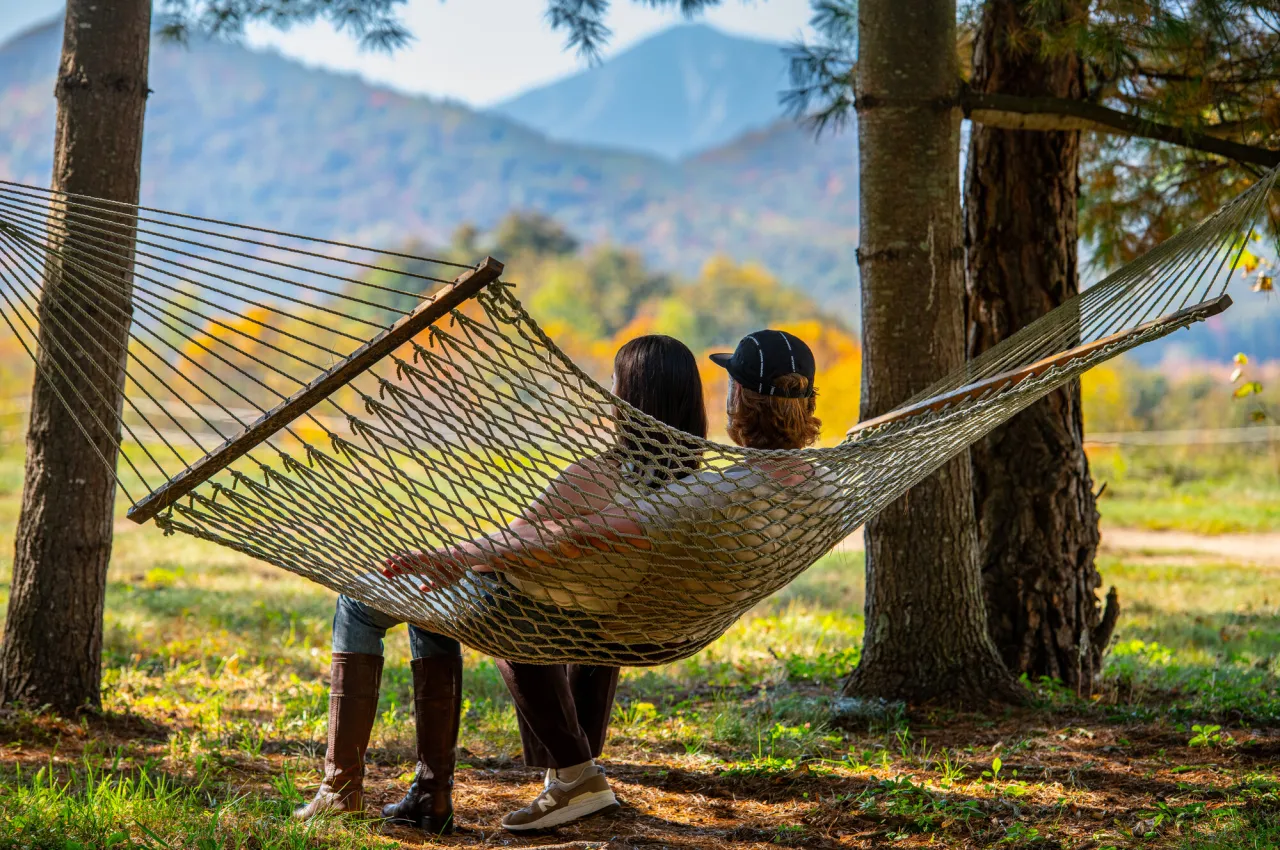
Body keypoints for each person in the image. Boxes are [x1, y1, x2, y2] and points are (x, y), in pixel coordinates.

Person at [387, 328, 825, 831]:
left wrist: (458, 554)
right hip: (676, 623)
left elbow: (576, 535)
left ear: (738, 399)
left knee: (488, 600)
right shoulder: (826, 488)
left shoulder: (706, 496)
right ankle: (569, 774)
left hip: (623, 626)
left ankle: (562, 776)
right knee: (554, 593)